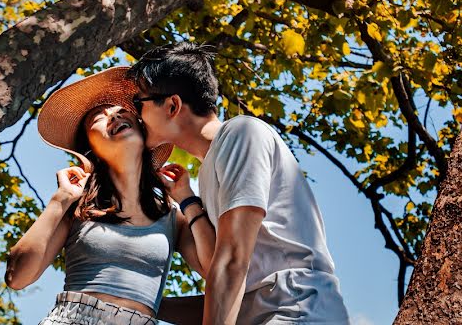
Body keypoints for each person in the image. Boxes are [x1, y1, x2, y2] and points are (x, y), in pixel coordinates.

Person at [128, 43, 351, 325]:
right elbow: (217, 274)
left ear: (172, 105)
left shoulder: (241, 133)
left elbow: (233, 262)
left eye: (139, 103)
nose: (136, 115)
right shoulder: (210, 167)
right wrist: (187, 201)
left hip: (297, 311)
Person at [4, 66, 215, 325]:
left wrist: (188, 201)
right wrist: (59, 201)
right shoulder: (78, 206)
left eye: (120, 111)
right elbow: (18, 277)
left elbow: (216, 271)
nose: (113, 115)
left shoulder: (172, 214)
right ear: (89, 147)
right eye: (98, 118)